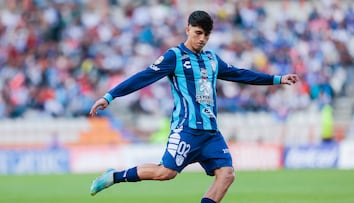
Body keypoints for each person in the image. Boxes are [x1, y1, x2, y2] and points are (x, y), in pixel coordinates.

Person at [89, 10, 299, 203]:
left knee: (226, 174)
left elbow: (241, 74)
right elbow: (144, 76)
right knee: (166, 173)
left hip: (211, 132)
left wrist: (277, 79)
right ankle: (113, 177)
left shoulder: (212, 59)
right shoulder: (174, 56)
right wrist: (109, 96)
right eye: (198, 33)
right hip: (187, 129)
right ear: (187, 29)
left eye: (206, 35)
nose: (202, 39)